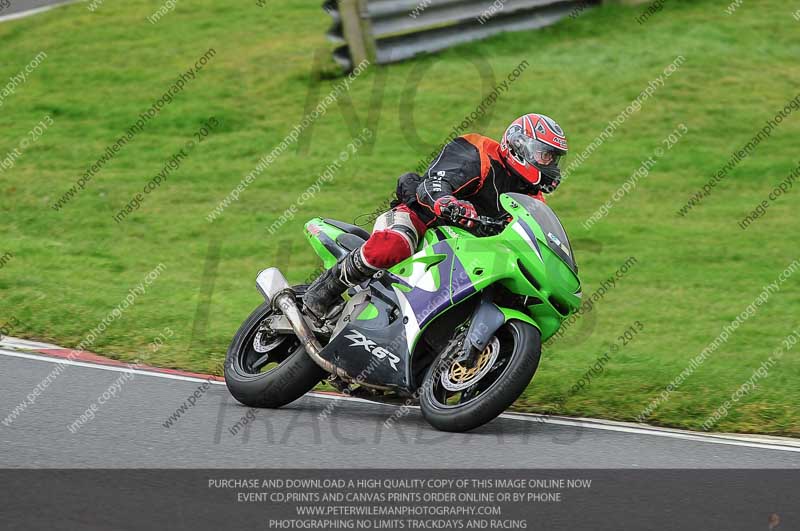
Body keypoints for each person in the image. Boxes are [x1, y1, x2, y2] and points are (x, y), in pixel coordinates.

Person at [302, 113, 569, 320]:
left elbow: (528, 240)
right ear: (519, 145)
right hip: (423, 220)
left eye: (554, 159)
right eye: (544, 155)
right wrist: (448, 203)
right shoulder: (478, 152)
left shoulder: (533, 199)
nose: (551, 165)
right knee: (393, 245)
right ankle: (323, 291)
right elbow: (434, 183)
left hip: (468, 253)